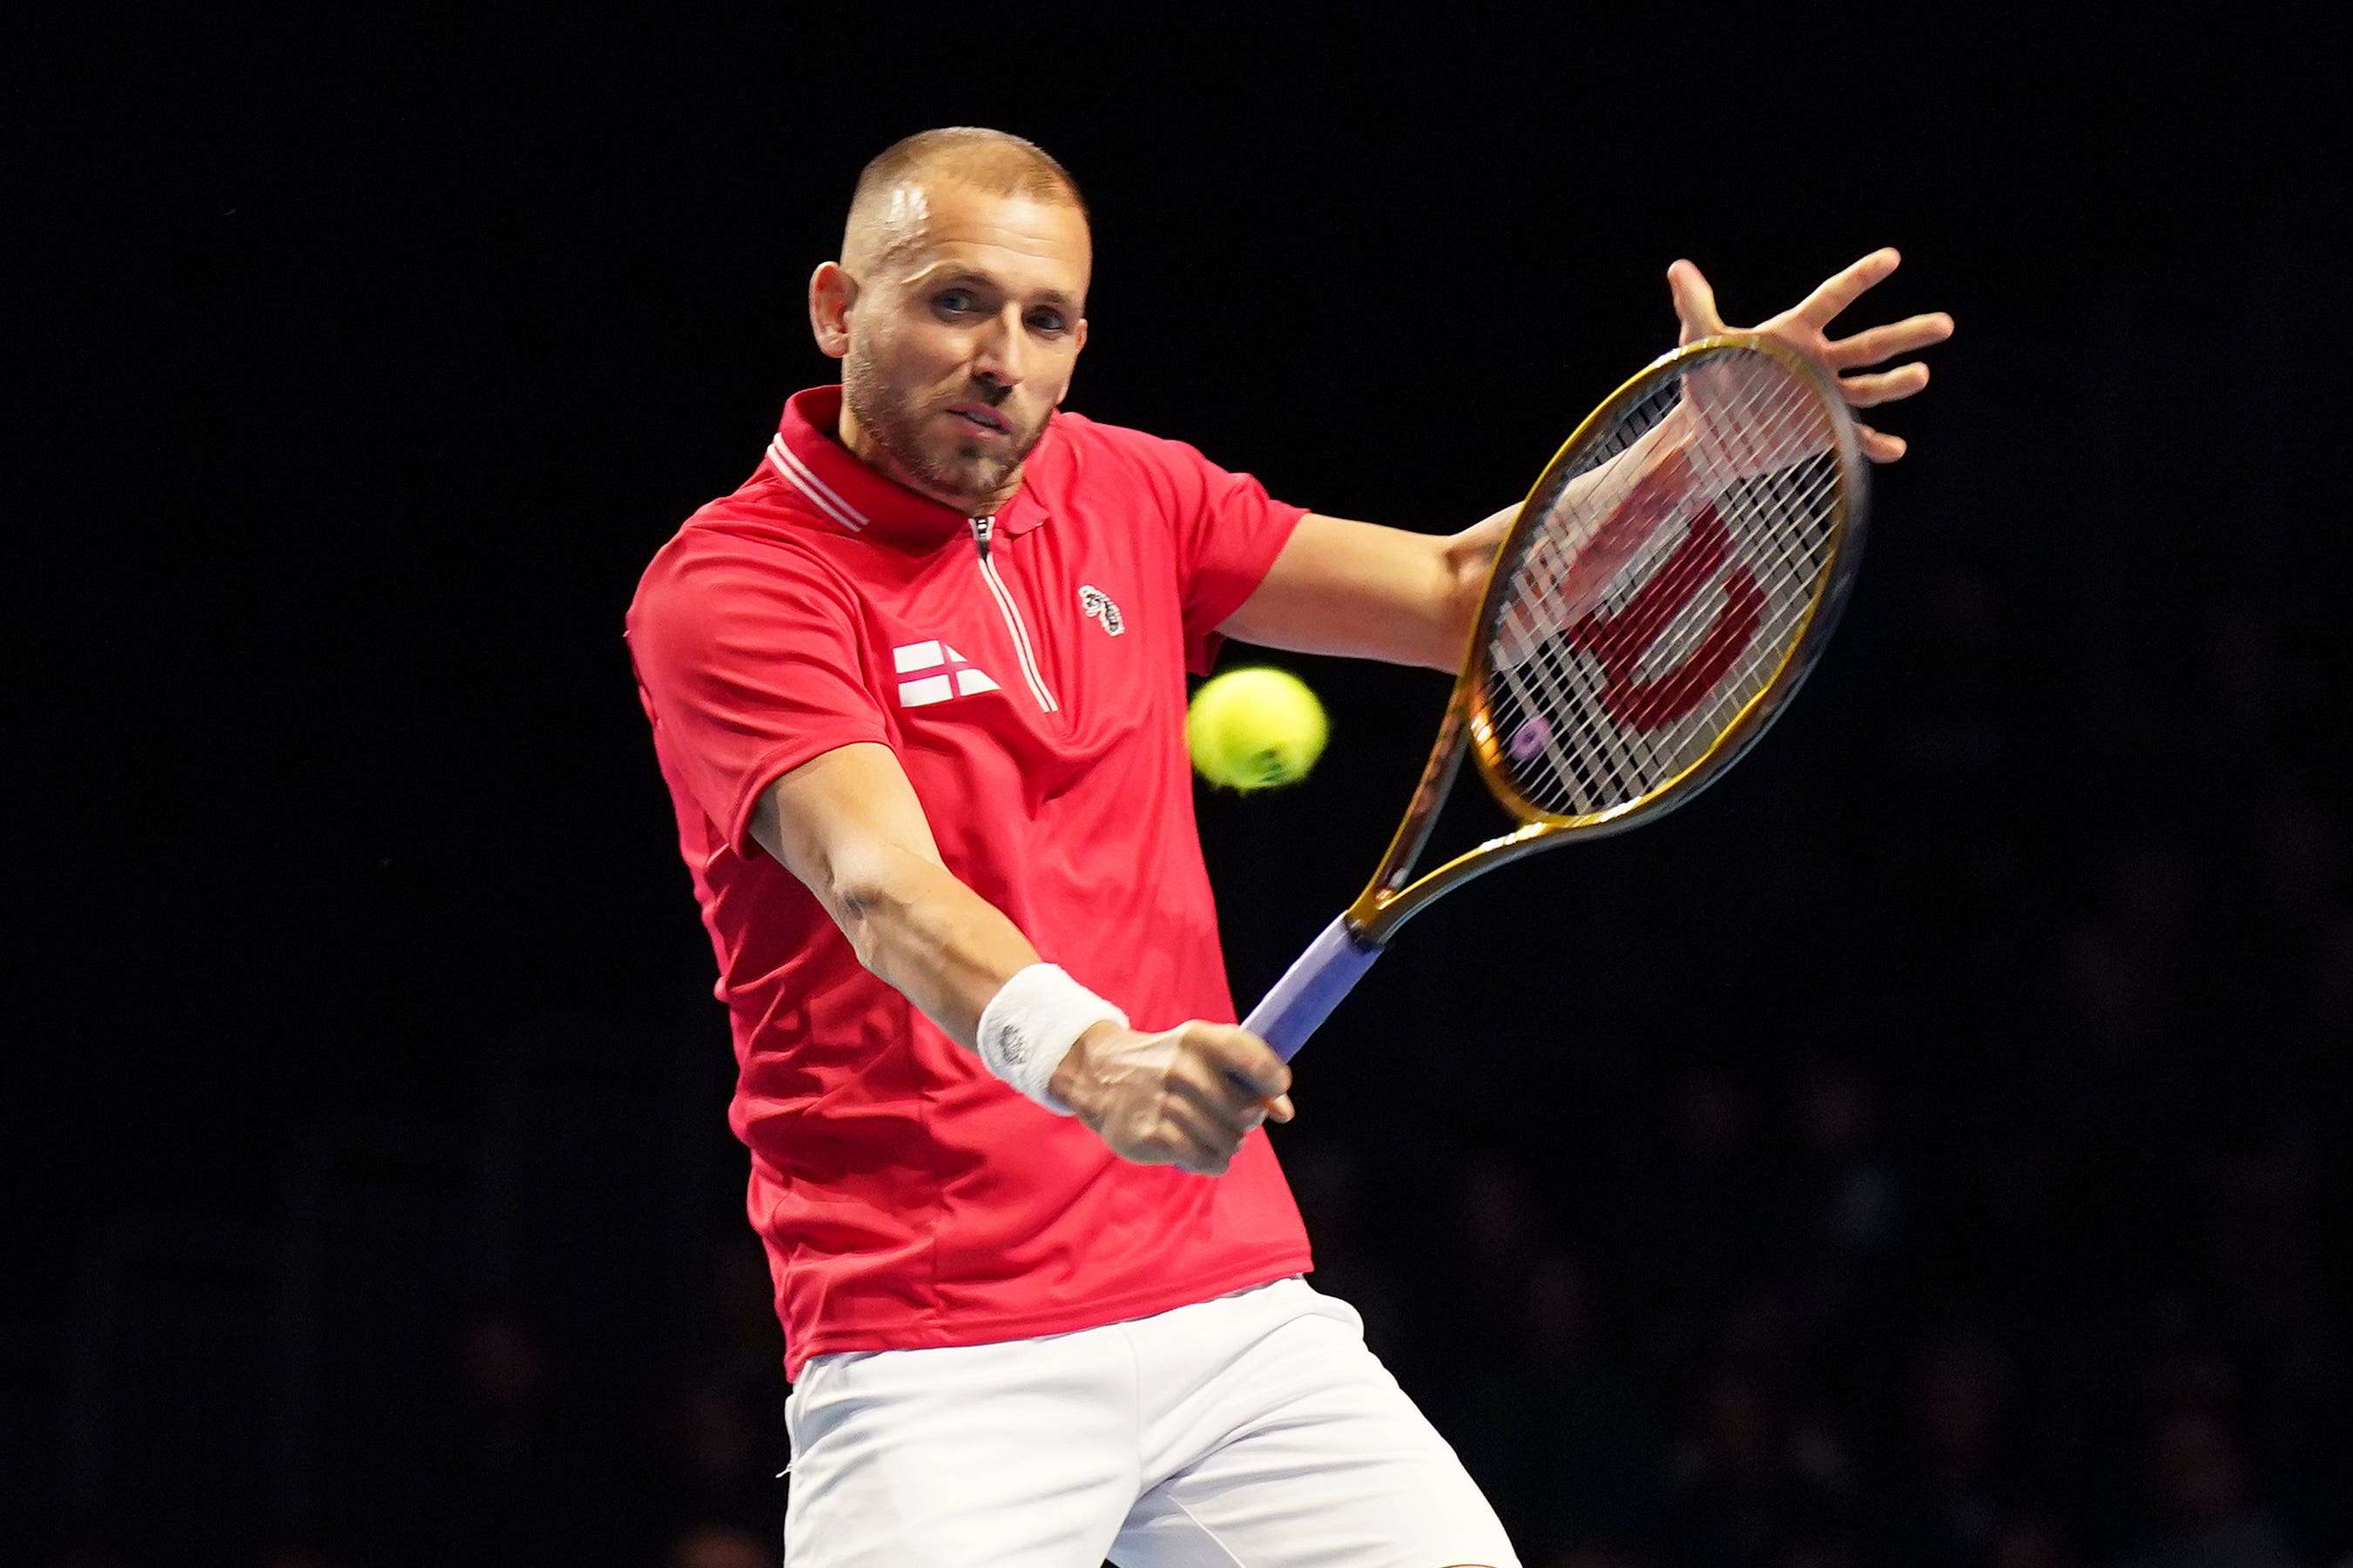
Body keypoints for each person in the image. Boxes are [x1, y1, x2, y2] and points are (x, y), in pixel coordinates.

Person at [626, 126, 1950, 1567]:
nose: (1003, 357)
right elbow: (880, 886)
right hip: (942, 1340)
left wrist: (1697, 452)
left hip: (1224, 1310)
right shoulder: (738, 585)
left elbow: (1458, 592)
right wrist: (1092, 1060)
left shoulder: (1127, 491)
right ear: (838, 307)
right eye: (955, 302)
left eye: (1045, 318)